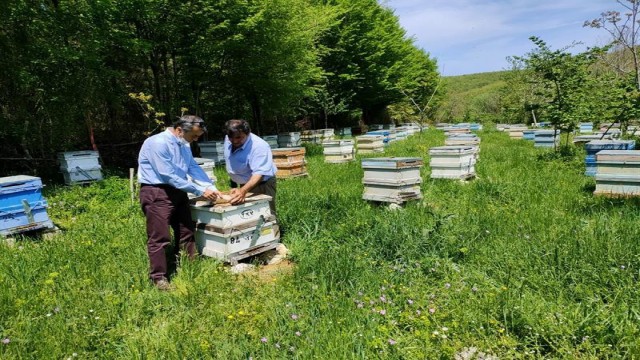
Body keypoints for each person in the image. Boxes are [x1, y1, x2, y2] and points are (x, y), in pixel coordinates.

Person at [137, 115, 221, 290]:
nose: (196, 139)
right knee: (159, 237)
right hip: (157, 191)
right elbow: (167, 175)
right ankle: (158, 278)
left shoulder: (184, 144)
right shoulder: (157, 143)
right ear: (180, 130)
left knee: (186, 230)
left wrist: (209, 186)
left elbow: (192, 167)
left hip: (180, 190)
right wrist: (199, 191)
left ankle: (189, 265)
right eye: (194, 136)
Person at [223, 119, 277, 214]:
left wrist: (243, 190)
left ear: (248, 133)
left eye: (239, 137)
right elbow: (232, 162)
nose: (234, 141)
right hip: (244, 185)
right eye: (231, 137)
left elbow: (259, 174)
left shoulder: (259, 146)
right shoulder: (229, 138)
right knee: (248, 215)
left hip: (262, 184)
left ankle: (274, 228)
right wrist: (236, 187)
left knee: (266, 213)